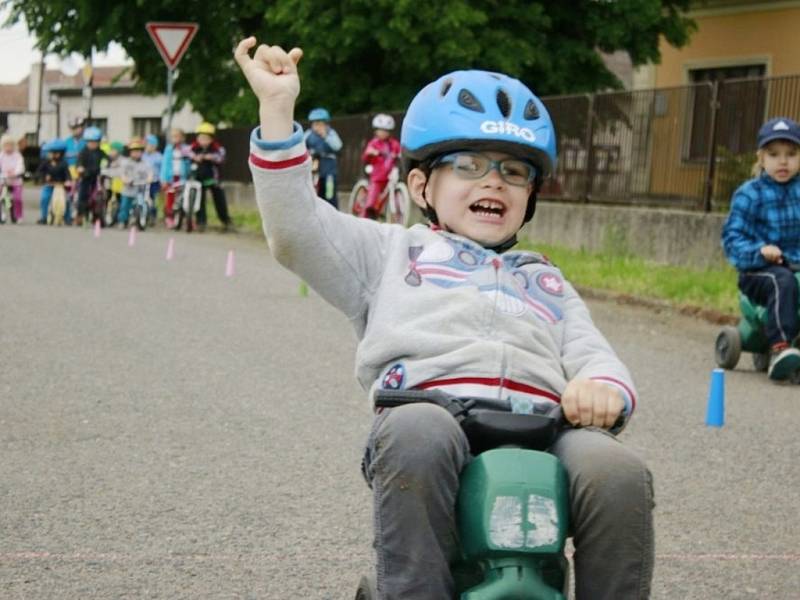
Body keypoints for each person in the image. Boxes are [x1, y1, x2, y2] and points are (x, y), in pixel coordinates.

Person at [235, 39, 653, 600]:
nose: (493, 182)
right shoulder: (390, 254)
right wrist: (278, 112)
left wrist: (602, 387)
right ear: (419, 186)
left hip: (545, 428)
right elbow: (296, 231)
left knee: (616, 472)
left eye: (514, 171)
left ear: (530, 195)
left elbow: (591, 350)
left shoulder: (544, 280)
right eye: (468, 166)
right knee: (417, 436)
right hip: (431, 412)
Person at [722, 116, 800, 381]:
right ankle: (780, 349)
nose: (783, 161)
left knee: (791, 278)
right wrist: (760, 250)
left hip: (796, 264)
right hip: (760, 269)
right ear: (761, 158)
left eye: (791, 154)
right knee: (784, 281)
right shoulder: (750, 194)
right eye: (774, 154)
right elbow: (733, 239)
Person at [190, 122, 233, 231]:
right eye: (201, 138)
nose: (203, 141)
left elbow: (222, 157)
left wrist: (211, 157)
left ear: (211, 139)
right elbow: (186, 153)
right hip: (199, 178)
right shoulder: (193, 148)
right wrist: (195, 157)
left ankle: (225, 220)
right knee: (199, 200)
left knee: (219, 199)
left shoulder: (217, 148)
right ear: (197, 139)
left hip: (213, 178)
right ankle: (201, 222)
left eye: (206, 138)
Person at [359, 113, 401, 219]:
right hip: (377, 176)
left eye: (386, 131)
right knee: (372, 196)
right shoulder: (374, 143)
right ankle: (366, 214)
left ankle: (392, 212)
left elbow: (400, 152)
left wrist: (400, 155)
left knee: (393, 189)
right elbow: (366, 155)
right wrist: (371, 152)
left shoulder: (394, 144)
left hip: (390, 174)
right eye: (381, 130)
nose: (383, 133)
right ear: (376, 131)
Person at [304, 107, 342, 207]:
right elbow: (301, 146)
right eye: (315, 124)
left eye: (320, 123)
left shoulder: (331, 133)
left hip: (329, 168)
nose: (317, 126)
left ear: (326, 124)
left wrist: (325, 136)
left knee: (329, 193)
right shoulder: (308, 134)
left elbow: (338, 146)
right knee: (313, 190)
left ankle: (333, 211)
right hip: (314, 167)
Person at [116, 138, 152, 228]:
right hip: (128, 189)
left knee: (143, 203)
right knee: (125, 206)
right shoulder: (126, 163)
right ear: (130, 152)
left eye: (138, 151)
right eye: (134, 151)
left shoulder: (145, 164)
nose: (136, 153)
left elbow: (150, 172)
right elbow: (122, 173)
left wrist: (149, 178)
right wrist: (125, 179)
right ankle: (122, 221)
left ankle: (142, 218)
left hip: (140, 189)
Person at [160, 128, 192, 228]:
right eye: (173, 136)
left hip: (182, 177)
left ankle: (187, 218)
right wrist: (164, 179)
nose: (175, 138)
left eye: (177, 136)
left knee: (184, 198)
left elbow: (189, 162)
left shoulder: (187, 148)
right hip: (171, 178)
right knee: (170, 197)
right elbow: (165, 165)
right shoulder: (169, 149)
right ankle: (169, 218)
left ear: (182, 138)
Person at [75, 126, 107, 226]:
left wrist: (110, 165)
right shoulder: (83, 152)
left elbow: (107, 161)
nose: (92, 144)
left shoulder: (101, 153)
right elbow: (79, 163)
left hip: (98, 177)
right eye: (90, 142)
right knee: (82, 195)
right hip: (86, 177)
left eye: (95, 142)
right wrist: (80, 167)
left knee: (101, 197)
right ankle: (80, 215)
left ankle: (98, 217)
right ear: (86, 142)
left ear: (99, 142)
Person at [37, 139, 71, 225]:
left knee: (66, 200)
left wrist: (67, 181)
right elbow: (39, 172)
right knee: (44, 198)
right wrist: (44, 177)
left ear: (61, 153)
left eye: (55, 153)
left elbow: (67, 174)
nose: (52, 154)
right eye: (51, 152)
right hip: (49, 185)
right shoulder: (46, 162)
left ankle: (67, 218)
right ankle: (43, 217)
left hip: (60, 186)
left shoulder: (64, 163)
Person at [63, 116, 87, 225]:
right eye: (74, 128)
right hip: (69, 171)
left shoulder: (86, 142)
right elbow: (62, 157)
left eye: (79, 127)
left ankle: (79, 215)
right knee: (68, 194)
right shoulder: (66, 142)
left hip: (81, 170)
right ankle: (67, 216)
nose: (77, 130)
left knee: (80, 194)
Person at [0, 134, 25, 222]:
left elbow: (20, 166)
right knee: (3, 197)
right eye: (6, 145)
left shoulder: (17, 155)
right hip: (4, 180)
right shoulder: (1, 155)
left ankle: (18, 216)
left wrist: (15, 173)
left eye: (10, 145)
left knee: (17, 199)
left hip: (16, 181)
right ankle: (3, 214)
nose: (8, 147)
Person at [142, 134, 163, 222]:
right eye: (146, 144)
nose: (147, 147)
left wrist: (162, 180)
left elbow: (162, 169)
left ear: (154, 146)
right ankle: (142, 214)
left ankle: (152, 215)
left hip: (154, 181)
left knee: (152, 198)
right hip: (143, 181)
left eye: (149, 144)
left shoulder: (159, 156)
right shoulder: (143, 156)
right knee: (143, 197)